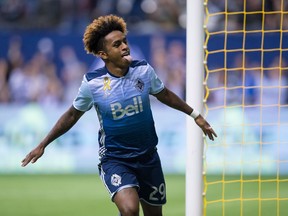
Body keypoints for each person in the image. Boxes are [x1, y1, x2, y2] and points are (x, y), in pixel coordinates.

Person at [21, 15, 217, 216]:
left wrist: (195, 115)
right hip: (116, 159)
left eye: (125, 41)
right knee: (130, 209)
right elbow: (72, 115)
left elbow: (164, 94)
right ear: (103, 54)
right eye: (117, 44)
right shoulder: (93, 83)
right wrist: (43, 144)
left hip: (148, 157)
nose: (125, 46)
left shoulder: (143, 70)